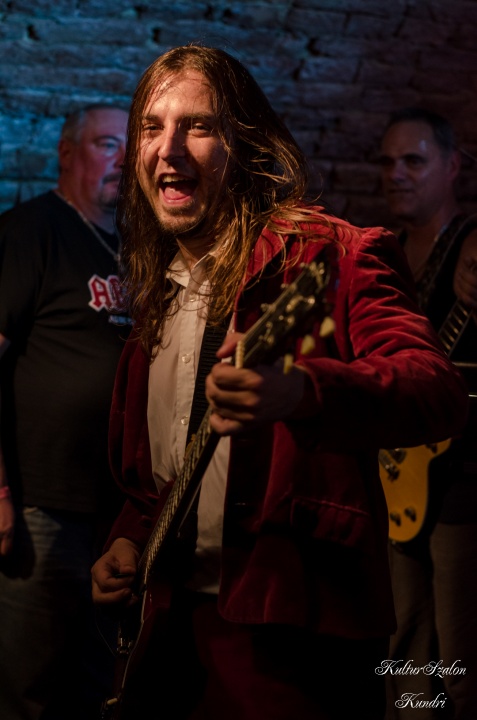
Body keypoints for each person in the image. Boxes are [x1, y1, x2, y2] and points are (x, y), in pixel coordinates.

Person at [91, 46, 469, 720]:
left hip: (295, 639)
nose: (168, 149)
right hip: (171, 632)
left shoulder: (336, 253)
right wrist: (127, 539)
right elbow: (157, 479)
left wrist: (304, 391)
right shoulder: (158, 295)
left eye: (198, 126)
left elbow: (433, 389)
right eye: (151, 126)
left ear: (246, 144)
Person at [0, 103, 131, 720]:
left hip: (114, 515)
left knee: (95, 690)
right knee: (26, 692)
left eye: (130, 146)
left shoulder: (134, 247)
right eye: (107, 144)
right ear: (66, 152)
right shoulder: (32, 231)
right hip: (39, 509)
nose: (124, 160)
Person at [379, 107, 477, 720]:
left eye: (412, 161)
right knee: (404, 650)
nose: (396, 174)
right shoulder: (384, 253)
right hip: (395, 478)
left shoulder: (469, 246)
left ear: (452, 166)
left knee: (462, 662)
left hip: (463, 486)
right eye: (387, 162)